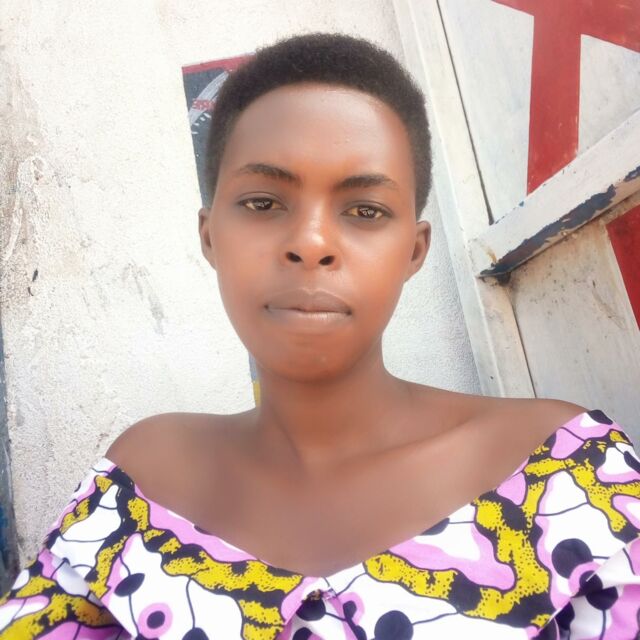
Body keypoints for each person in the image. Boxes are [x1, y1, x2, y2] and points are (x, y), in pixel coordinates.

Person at [0, 32, 639, 640]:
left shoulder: (564, 475)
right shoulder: (143, 483)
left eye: (365, 211)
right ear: (210, 236)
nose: (310, 243)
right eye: (262, 203)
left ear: (413, 252)